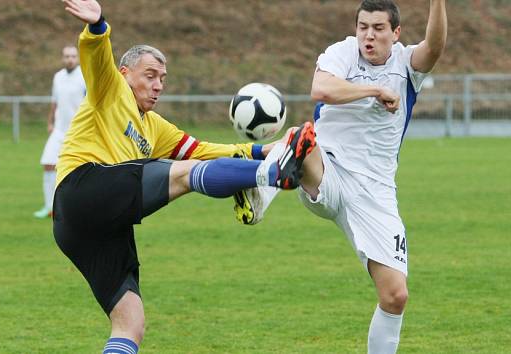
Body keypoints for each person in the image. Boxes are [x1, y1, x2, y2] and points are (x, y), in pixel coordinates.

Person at [56, 1, 316, 353]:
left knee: (130, 322)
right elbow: (96, 54)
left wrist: (260, 150)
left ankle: (266, 167)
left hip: (88, 226)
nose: (158, 85)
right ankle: (270, 176)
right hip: (81, 187)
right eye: (150, 75)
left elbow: (203, 150)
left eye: (162, 78)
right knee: (184, 176)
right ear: (125, 73)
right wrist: (99, 26)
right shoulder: (108, 89)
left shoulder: (154, 127)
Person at [236, 1, 447, 352]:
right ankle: (261, 187)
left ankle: (266, 171)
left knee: (395, 295)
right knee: (301, 137)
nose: (369, 35)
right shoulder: (343, 52)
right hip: (328, 169)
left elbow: (435, 47)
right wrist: (375, 90)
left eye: (378, 28)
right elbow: (321, 90)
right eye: (363, 26)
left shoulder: (407, 65)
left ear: (396, 34)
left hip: (375, 192)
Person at [33, 45, 86, 219]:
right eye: (66, 56)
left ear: (77, 58)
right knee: (48, 164)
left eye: (72, 56)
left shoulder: (84, 77)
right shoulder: (58, 77)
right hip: (59, 130)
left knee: (77, 169)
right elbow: (54, 103)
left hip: (78, 132)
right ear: (62, 58)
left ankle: (76, 205)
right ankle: (49, 207)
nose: (69, 59)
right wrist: (50, 122)